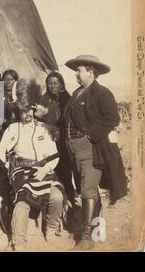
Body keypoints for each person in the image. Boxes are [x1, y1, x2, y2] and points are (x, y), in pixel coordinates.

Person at [63, 55, 127, 250]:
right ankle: (96, 231)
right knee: (88, 189)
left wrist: (89, 136)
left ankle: (87, 238)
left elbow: (112, 119)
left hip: (91, 149)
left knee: (87, 189)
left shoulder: (102, 93)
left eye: (79, 70)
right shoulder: (76, 93)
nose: (76, 74)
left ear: (91, 72)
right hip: (73, 149)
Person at [0, 78, 65, 251]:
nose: (26, 115)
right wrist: (8, 166)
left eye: (29, 111)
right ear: (18, 112)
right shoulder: (13, 129)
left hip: (43, 170)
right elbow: (1, 151)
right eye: (23, 111)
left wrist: (45, 169)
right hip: (20, 171)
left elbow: (54, 155)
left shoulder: (44, 128)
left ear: (34, 110)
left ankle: (50, 231)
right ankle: (18, 241)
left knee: (57, 197)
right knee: (22, 203)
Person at [39, 71, 77, 203]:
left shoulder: (68, 99)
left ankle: (71, 201)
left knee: (66, 172)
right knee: (51, 173)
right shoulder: (43, 100)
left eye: (55, 83)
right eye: (49, 83)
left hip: (64, 141)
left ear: (61, 84)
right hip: (49, 141)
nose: (52, 86)